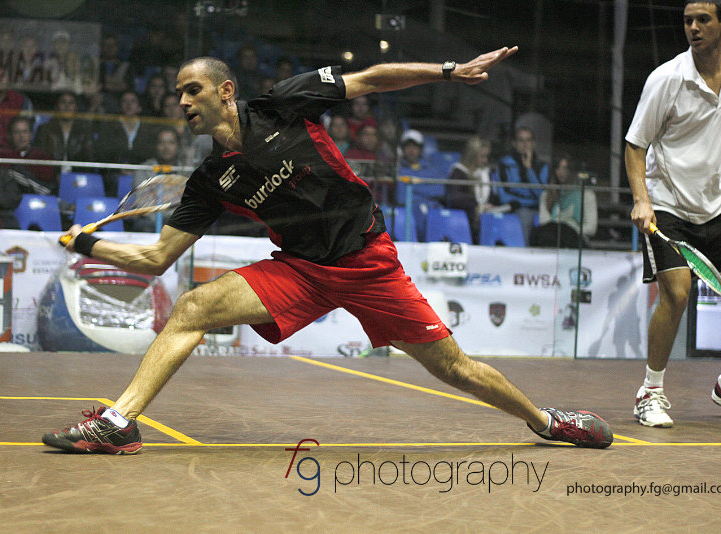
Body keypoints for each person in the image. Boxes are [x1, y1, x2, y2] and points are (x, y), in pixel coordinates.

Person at [43, 49, 613, 454]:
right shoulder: (210, 180)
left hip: (368, 261)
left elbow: (372, 79)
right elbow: (156, 259)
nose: (183, 101)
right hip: (302, 271)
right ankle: (119, 422)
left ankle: (546, 422)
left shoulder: (283, 105)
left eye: (193, 89)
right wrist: (87, 242)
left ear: (225, 91)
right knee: (192, 307)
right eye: (178, 95)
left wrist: (448, 71)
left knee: (455, 368)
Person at [626, 1, 721, 428]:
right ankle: (650, 392)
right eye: (687, 21)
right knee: (678, 294)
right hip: (667, 205)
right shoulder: (667, 78)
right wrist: (642, 199)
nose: (694, 28)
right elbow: (635, 144)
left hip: (715, 206)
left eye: (703, 20)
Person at [493, 126, 549, 243]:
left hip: (539, 209)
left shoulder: (542, 166)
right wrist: (523, 203)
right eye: (521, 140)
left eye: (528, 140)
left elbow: (542, 195)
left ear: (533, 143)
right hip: (515, 209)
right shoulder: (504, 164)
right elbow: (503, 196)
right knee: (525, 215)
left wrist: (529, 169)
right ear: (514, 143)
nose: (525, 144)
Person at [530, 152, 597, 248]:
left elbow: (591, 228)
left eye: (565, 168)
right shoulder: (546, 195)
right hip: (552, 240)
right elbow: (545, 223)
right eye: (558, 168)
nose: (561, 172)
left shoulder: (587, 195)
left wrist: (568, 231)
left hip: (576, 240)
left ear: (571, 170)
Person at [130, 127, 189, 232]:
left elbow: (188, 202)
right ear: (155, 146)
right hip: (150, 220)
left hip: (178, 220)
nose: (166, 147)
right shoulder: (143, 170)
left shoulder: (186, 171)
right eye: (161, 143)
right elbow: (142, 201)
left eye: (171, 143)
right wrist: (161, 219)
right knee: (144, 226)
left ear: (178, 146)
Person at [444, 136, 499, 243]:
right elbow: (454, 198)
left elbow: (492, 197)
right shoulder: (458, 172)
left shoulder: (486, 173)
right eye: (482, 156)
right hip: (463, 220)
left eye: (487, 156)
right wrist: (477, 206)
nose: (485, 160)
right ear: (472, 156)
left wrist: (491, 206)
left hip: (485, 219)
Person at [0, 116, 56, 195]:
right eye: (17, 132)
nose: (21, 136)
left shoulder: (42, 156)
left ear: (31, 134)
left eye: (25, 132)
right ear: (9, 135)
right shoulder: (2, 155)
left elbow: (47, 177)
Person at [33, 91, 96, 170]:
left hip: (77, 175)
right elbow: (39, 158)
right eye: (63, 102)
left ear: (76, 107)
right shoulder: (44, 129)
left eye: (71, 103)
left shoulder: (85, 131)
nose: (67, 106)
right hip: (50, 174)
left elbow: (90, 159)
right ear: (57, 106)